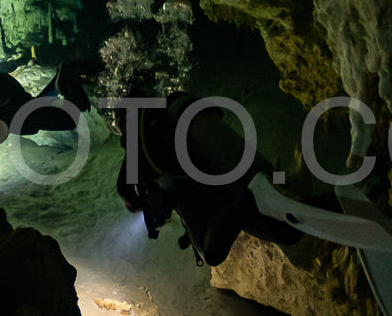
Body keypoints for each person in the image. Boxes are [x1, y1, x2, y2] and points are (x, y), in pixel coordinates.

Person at [116, 92, 307, 267]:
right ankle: (282, 184)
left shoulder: (137, 141)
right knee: (285, 231)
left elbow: (124, 191)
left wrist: (141, 204)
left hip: (197, 163)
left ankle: (256, 198)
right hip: (192, 115)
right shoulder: (158, 119)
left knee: (210, 252)